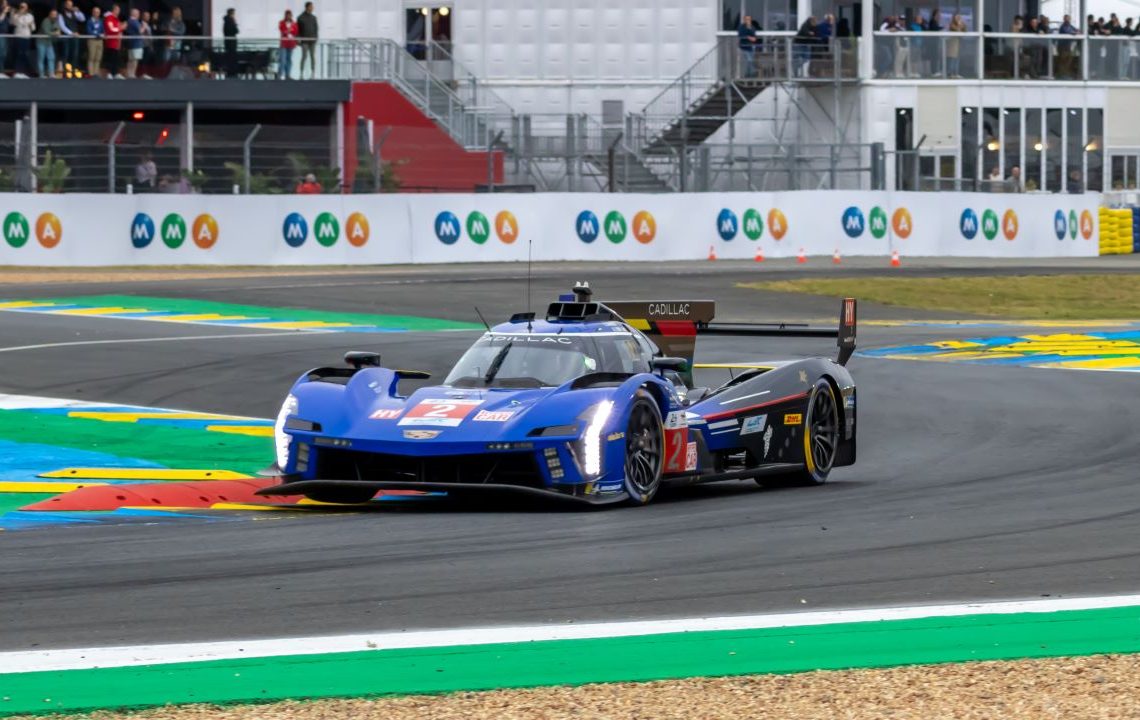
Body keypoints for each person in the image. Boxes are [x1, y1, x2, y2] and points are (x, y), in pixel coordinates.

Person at [59, 0, 84, 75]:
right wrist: (71, 33)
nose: (70, 6)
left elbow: (83, 19)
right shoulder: (61, 15)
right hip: (66, 37)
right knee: (66, 54)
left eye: (71, 5)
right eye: (68, 5)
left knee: (75, 54)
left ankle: (74, 71)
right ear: (65, 5)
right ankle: (66, 72)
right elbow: (62, 26)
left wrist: (78, 11)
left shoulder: (74, 13)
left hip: (75, 37)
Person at [11, 2, 34, 77]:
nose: (22, 8)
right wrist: (19, 15)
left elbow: (33, 28)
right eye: (21, 7)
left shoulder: (30, 16)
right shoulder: (16, 15)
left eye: (24, 7)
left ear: (27, 8)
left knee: (25, 54)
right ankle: (17, 71)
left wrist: (30, 25)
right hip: (18, 36)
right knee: (19, 54)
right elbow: (13, 23)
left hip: (26, 36)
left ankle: (23, 72)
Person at [37, 9, 60, 78]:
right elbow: (46, 32)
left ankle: (51, 73)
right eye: (53, 14)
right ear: (49, 15)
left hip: (49, 42)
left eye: (55, 15)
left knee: (51, 57)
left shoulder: (56, 21)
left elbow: (58, 29)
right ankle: (41, 74)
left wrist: (57, 31)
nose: (54, 16)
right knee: (41, 58)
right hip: (41, 42)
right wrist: (55, 33)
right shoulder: (45, 21)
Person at [298, 2, 318, 78]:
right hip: (304, 41)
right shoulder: (300, 17)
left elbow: (316, 29)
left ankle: (313, 73)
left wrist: (316, 38)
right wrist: (298, 39)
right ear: (307, 7)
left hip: (312, 40)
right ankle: (301, 73)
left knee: (312, 56)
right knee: (304, 56)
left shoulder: (314, 18)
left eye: (312, 7)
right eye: (311, 6)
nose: (312, 8)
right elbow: (298, 30)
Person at [103, 4, 123, 78]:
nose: (118, 11)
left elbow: (119, 31)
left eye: (119, 10)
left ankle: (115, 73)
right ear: (114, 10)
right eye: (117, 10)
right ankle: (109, 73)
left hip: (117, 42)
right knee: (110, 58)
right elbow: (111, 29)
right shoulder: (109, 18)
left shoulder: (117, 19)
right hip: (110, 42)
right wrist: (120, 28)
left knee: (116, 58)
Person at [279, 9, 298, 79]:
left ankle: (288, 75)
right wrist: (289, 30)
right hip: (284, 43)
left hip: (291, 43)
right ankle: (280, 74)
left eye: (290, 15)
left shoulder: (294, 23)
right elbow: (282, 30)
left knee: (289, 59)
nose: (288, 16)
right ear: (285, 15)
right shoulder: (281, 22)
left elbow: (295, 32)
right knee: (283, 60)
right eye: (287, 15)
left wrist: (288, 31)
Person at [124, 8, 142, 78]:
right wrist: (144, 26)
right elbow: (140, 31)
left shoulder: (129, 20)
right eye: (138, 13)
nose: (139, 15)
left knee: (131, 59)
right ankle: (132, 74)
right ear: (134, 14)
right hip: (136, 43)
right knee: (134, 59)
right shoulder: (133, 21)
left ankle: (130, 74)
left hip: (132, 43)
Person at [85, 7, 103, 77]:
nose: (97, 13)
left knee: (98, 57)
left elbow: (102, 30)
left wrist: (103, 34)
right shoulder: (89, 21)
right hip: (92, 40)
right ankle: (91, 73)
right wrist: (97, 34)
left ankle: (96, 73)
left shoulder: (100, 21)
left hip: (99, 41)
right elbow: (89, 31)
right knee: (91, 56)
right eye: (95, 12)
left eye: (98, 12)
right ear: (93, 13)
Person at [222, 8, 238, 75]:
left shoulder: (226, 21)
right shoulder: (230, 21)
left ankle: (230, 72)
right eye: (233, 13)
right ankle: (232, 72)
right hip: (231, 43)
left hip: (228, 43)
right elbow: (236, 31)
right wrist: (235, 24)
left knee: (229, 58)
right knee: (232, 58)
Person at [0, 1, 12, 75]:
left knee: (4, 54)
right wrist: (4, 12)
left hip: (5, 35)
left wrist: (13, 13)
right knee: (1, 53)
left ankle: (1, 71)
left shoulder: (7, 13)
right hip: (0, 35)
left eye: (6, 3)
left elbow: (11, 23)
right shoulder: (2, 12)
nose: (6, 5)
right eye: (4, 3)